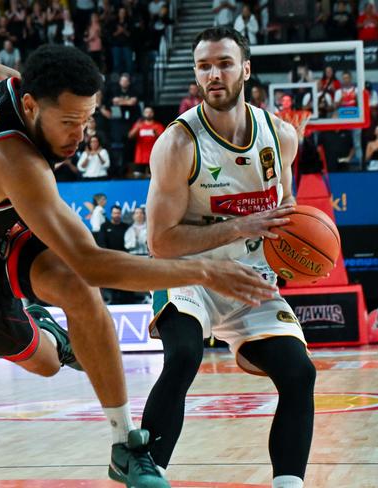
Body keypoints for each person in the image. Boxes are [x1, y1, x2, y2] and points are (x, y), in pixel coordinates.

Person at [0, 40, 275, 488]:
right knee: (47, 362)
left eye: (88, 118)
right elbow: (95, 263)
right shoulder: (16, 161)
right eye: (70, 122)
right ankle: (48, 332)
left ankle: (126, 448)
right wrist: (207, 270)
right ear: (33, 104)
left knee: (79, 290)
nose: (79, 134)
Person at [141, 27, 315, 488]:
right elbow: (160, 242)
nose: (213, 74)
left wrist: (294, 250)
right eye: (203, 66)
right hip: (187, 272)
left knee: (299, 373)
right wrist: (238, 226)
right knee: (182, 356)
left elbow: (286, 213)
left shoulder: (280, 137)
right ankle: (148, 474)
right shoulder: (177, 145)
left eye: (223, 63)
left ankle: (289, 484)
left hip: (249, 274)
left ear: (246, 69)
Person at [128, 106, 165, 177]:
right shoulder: (139, 125)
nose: (148, 114)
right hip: (140, 157)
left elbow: (163, 139)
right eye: (146, 112)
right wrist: (137, 128)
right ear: (143, 113)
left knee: (154, 177)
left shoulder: (158, 125)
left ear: (153, 113)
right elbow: (130, 136)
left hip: (154, 157)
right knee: (138, 177)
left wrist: (156, 133)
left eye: (150, 112)